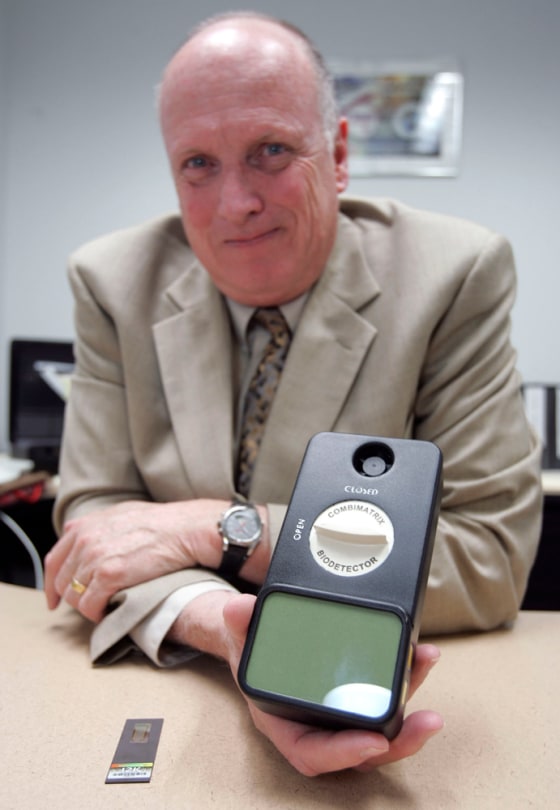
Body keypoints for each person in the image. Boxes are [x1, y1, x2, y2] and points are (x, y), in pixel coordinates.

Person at [44, 11, 542, 776]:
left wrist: (220, 529)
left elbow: (488, 560)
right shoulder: (113, 282)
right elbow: (97, 525)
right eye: (198, 164)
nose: (234, 202)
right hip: (174, 685)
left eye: (270, 151)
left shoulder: (453, 276)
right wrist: (230, 628)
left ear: (338, 154)